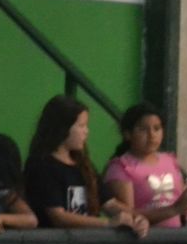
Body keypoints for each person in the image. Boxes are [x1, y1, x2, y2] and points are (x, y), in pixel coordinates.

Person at [23, 95, 148, 235]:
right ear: (62, 128)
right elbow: (58, 216)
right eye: (81, 126)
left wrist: (136, 217)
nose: (86, 131)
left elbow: (110, 204)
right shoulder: (41, 165)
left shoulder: (83, 165)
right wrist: (107, 223)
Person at [103, 102, 187, 228]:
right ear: (127, 134)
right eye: (143, 129)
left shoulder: (169, 160)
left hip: (176, 239)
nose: (151, 135)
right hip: (144, 242)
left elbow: (184, 203)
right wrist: (174, 209)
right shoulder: (121, 167)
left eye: (157, 128)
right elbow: (129, 216)